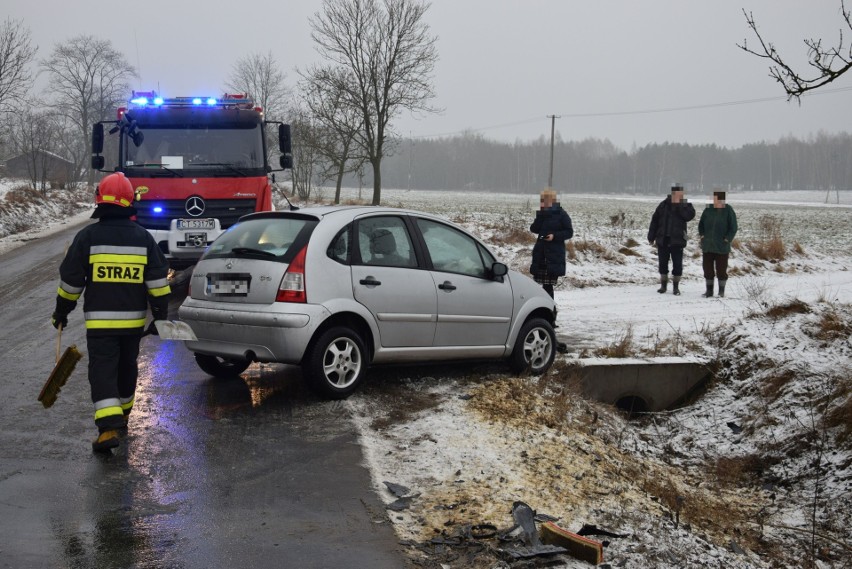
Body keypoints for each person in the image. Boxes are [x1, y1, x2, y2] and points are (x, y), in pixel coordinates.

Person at [51, 172, 171, 452]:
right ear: (130, 200)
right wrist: (161, 315)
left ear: (100, 200)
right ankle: (124, 417)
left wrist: (61, 312)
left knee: (103, 370)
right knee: (127, 367)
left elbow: (70, 283)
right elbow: (157, 283)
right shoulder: (144, 238)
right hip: (132, 325)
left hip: (100, 324)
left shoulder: (87, 237)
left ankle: (107, 429)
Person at [647, 183, 696, 295]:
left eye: (680, 194)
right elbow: (654, 221)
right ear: (672, 193)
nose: (678, 196)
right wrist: (651, 236)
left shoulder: (686, 205)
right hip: (663, 240)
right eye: (676, 194)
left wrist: (680, 206)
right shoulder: (663, 205)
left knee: (677, 265)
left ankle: (676, 287)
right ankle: (663, 286)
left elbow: (689, 216)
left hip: (678, 241)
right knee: (662, 264)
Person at [530, 188, 574, 299]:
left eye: (545, 200)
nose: (543, 202)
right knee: (537, 286)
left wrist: (554, 236)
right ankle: (541, 307)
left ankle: (549, 309)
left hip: (553, 256)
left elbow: (569, 232)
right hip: (541, 254)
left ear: (552, 200)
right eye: (542, 200)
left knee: (548, 286)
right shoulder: (542, 214)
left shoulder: (562, 214)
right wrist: (540, 217)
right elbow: (534, 229)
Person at [698, 189, 738, 298]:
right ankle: (709, 291)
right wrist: (702, 235)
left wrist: (727, 239)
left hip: (721, 246)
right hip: (708, 245)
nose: (713, 201)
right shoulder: (708, 210)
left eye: (715, 199)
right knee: (707, 269)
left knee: (721, 270)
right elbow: (701, 224)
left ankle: (721, 291)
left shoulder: (728, 210)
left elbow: (733, 227)